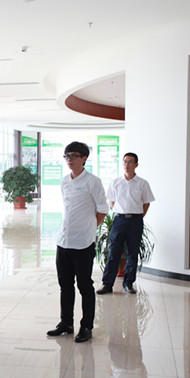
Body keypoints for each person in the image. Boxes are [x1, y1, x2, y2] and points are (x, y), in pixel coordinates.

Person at [47, 142, 108, 343]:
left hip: (83, 243)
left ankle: (87, 326)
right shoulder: (65, 181)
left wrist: (89, 229)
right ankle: (66, 323)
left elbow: (102, 210)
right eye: (67, 156)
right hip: (63, 241)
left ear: (84, 158)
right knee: (65, 285)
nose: (69, 159)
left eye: (73, 155)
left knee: (85, 286)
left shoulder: (93, 181)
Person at [97, 152, 155, 295]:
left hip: (135, 220)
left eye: (130, 162)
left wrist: (138, 216)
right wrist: (121, 213)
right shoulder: (116, 182)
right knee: (113, 252)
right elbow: (112, 201)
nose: (127, 164)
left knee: (132, 252)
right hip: (119, 220)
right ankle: (107, 284)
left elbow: (146, 203)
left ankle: (128, 283)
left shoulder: (142, 183)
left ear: (136, 165)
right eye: (125, 161)